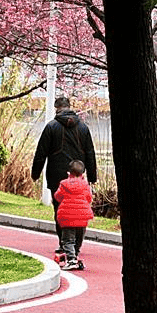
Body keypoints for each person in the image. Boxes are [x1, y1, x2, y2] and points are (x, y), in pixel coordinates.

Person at [31, 96, 98, 243]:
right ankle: (77, 244)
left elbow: (41, 153)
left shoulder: (51, 127)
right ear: (70, 106)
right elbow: (90, 153)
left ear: (57, 108)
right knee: (79, 209)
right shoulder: (83, 127)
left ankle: (63, 242)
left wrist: (35, 173)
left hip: (57, 175)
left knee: (60, 209)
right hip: (78, 175)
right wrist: (92, 176)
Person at [53, 160, 94, 267]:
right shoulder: (85, 184)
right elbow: (89, 198)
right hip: (82, 217)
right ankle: (75, 254)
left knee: (67, 240)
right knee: (78, 239)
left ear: (68, 173)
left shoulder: (64, 184)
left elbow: (58, 196)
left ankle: (71, 259)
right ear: (82, 173)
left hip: (67, 217)